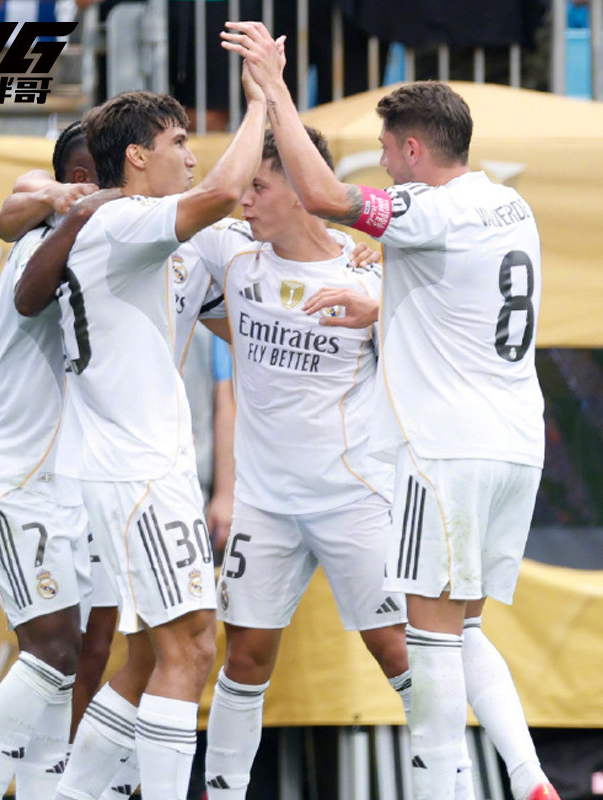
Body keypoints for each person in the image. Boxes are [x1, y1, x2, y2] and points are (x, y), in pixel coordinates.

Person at [221, 21, 558, 800]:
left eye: (384, 150)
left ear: (412, 150)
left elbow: (325, 197)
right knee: (465, 628)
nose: (381, 164)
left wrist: (273, 89)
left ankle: (444, 789)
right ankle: (530, 778)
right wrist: (383, 307)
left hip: (444, 450)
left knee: (428, 639)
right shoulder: (510, 206)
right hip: (515, 446)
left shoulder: (428, 210)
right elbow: (463, 298)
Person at [15, 77, 266, 800]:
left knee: (148, 658)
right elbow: (224, 192)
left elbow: (245, 312)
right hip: (136, 473)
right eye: (177, 142)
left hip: (135, 469)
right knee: (192, 648)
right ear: (135, 158)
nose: (190, 156)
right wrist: (261, 101)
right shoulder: (124, 220)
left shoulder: (141, 231)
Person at [183, 125, 412, 800]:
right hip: (265, 504)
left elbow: (426, 361)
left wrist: (382, 313)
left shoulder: (369, 273)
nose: (244, 201)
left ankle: (449, 784)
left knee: (399, 653)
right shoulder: (229, 250)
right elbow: (139, 206)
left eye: (259, 186)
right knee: (245, 658)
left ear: (303, 190)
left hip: (353, 499)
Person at [0, 127, 123, 800]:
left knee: (71, 658)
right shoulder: (43, 238)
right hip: (11, 478)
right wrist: (65, 201)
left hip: (64, 483)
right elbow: (14, 207)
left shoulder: (100, 240)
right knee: (51, 652)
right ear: (83, 177)